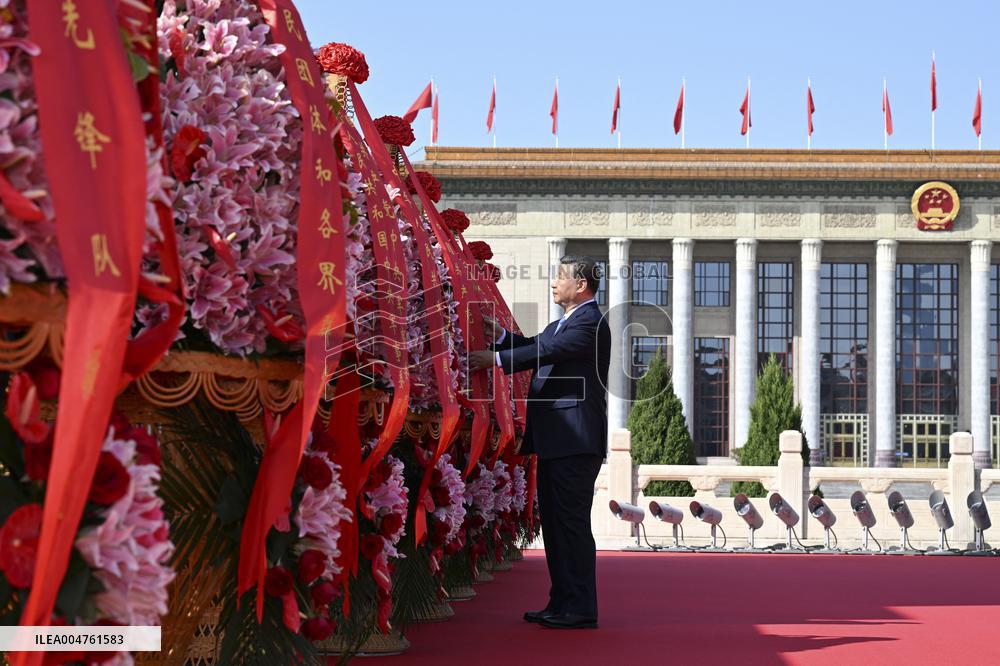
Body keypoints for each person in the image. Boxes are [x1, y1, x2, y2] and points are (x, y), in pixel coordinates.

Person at [468, 255, 611, 630]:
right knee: (555, 523)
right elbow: (534, 343)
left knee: (571, 524)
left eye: (559, 277)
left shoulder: (590, 323)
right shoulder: (562, 323)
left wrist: (495, 359)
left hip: (575, 442)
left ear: (580, 285)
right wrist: (500, 336)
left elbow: (546, 352)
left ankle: (580, 607)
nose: (553, 282)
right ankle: (562, 600)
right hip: (556, 441)